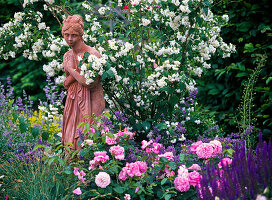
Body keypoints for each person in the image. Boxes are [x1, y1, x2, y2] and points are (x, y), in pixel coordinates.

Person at [61, 15, 105, 152]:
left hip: (91, 102)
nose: (69, 39)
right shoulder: (67, 55)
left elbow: (89, 83)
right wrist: (75, 73)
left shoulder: (93, 54)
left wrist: (71, 69)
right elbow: (66, 83)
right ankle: (70, 171)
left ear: (80, 35)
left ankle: (89, 171)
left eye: (73, 35)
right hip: (72, 100)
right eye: (66, 35)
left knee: (86, 140)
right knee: (69, 139)